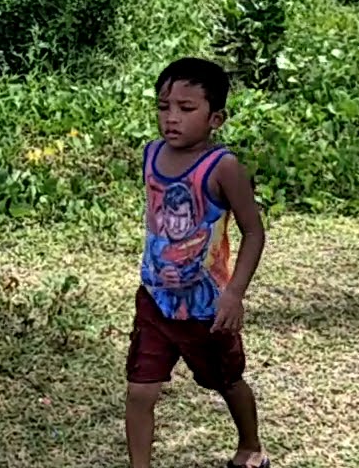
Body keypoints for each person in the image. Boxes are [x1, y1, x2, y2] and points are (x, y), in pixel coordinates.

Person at [126, 57, 269, 468]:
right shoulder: (151, 154)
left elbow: (254, 232)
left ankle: (250, 447)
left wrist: (234, 294)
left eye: (186, 108)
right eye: (163, 106)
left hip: (207, 308)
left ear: (215, 119)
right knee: (139, 391)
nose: (171, 117)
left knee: (226, 380)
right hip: (156, 300)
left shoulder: (223, 167)